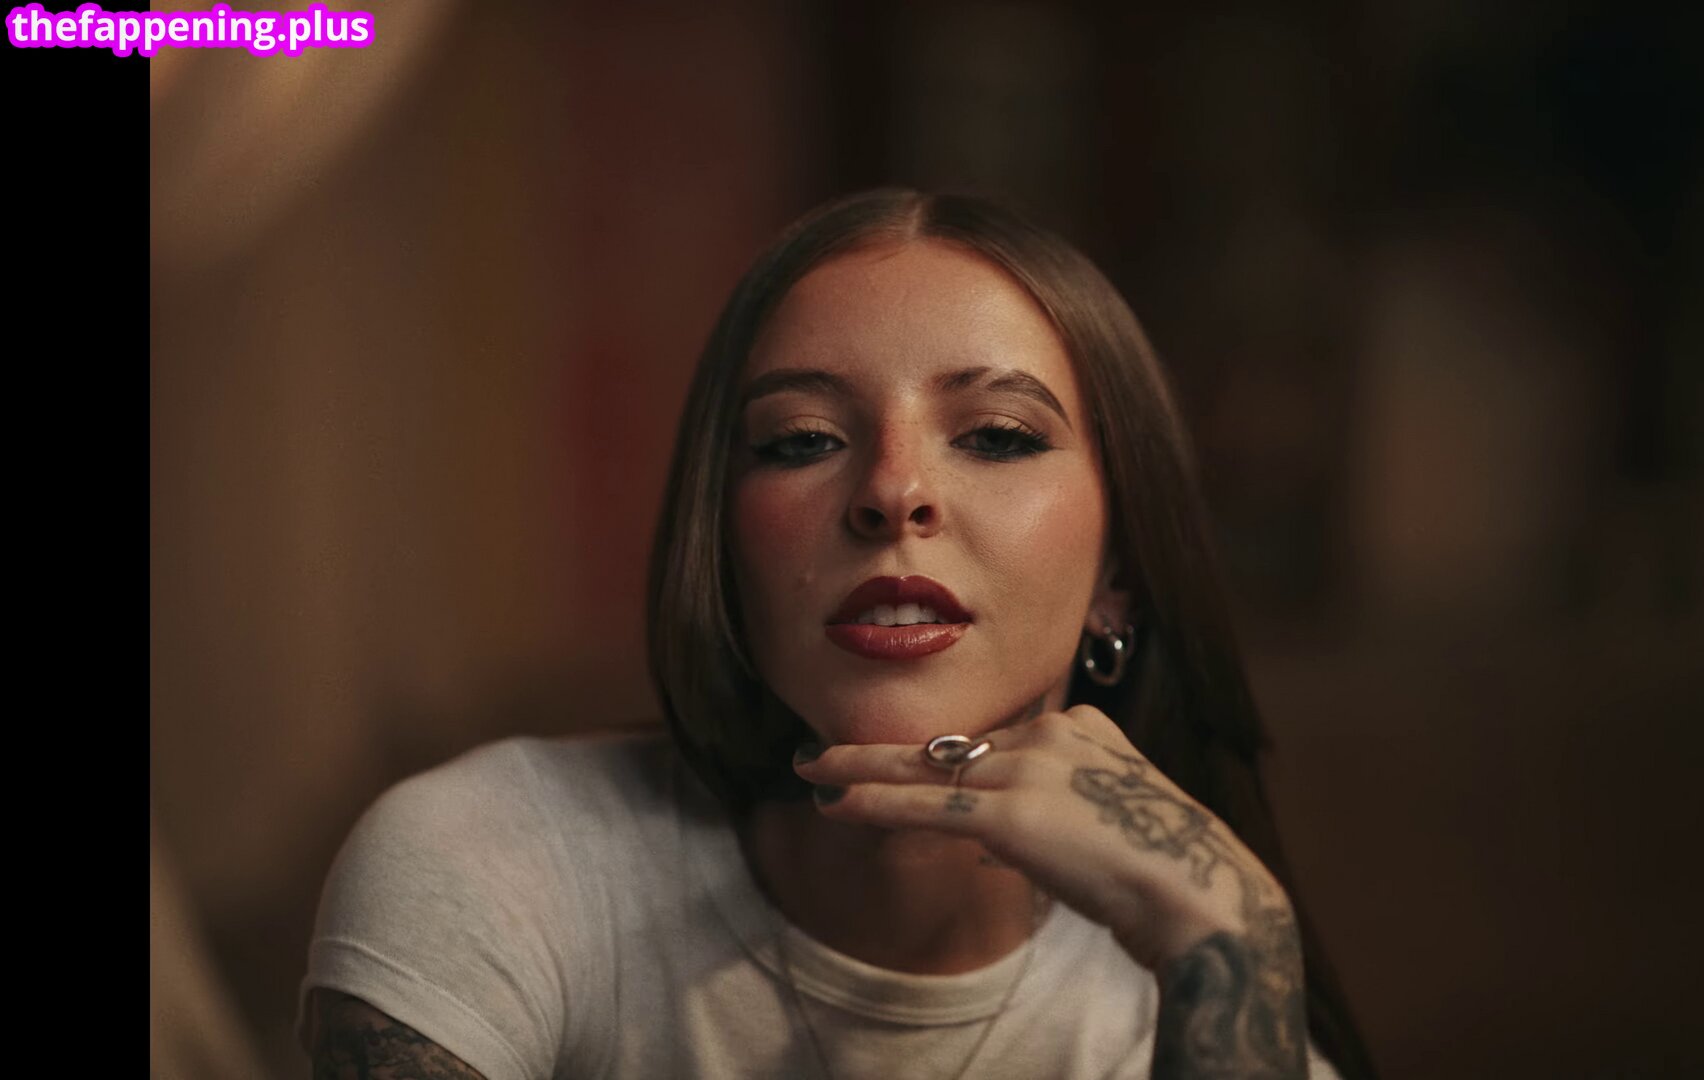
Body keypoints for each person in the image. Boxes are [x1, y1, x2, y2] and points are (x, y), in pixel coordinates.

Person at [298, 189, 1377, 1080]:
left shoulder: (1201, 1027)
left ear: (1120, 576)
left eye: (998, 436)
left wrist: (1238, 938)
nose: (894, 491)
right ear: (723, 543)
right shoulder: (490, 863)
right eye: (803, 439)